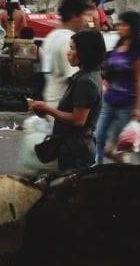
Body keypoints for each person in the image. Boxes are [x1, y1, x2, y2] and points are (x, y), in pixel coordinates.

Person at [28, 30, 106, 171]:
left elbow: (78, 120)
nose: (68, 52)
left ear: (85, 52)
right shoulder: (86, 75)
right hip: (73, 146)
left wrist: (47, 109)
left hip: (76, 149)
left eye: (73, 48)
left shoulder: (86, 81)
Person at [93, 11, 140, 165]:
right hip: (110, 99)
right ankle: (97, 165)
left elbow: (137, 82)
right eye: (119, 24)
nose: (119, 27)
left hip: (126, 103)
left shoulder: (138, 53)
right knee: (100, 134)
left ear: (132, 27)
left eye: (123, 24)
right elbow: (109, 72)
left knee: (135, 140)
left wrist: (138, 108)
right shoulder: (118, 46)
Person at [41, 0, 90, 104]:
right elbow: (74, 79)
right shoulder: (68, 40)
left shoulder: (52, 36)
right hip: (64, 105)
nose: (88, 20)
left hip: (51, 98)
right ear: (74, 16)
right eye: (86, 15)